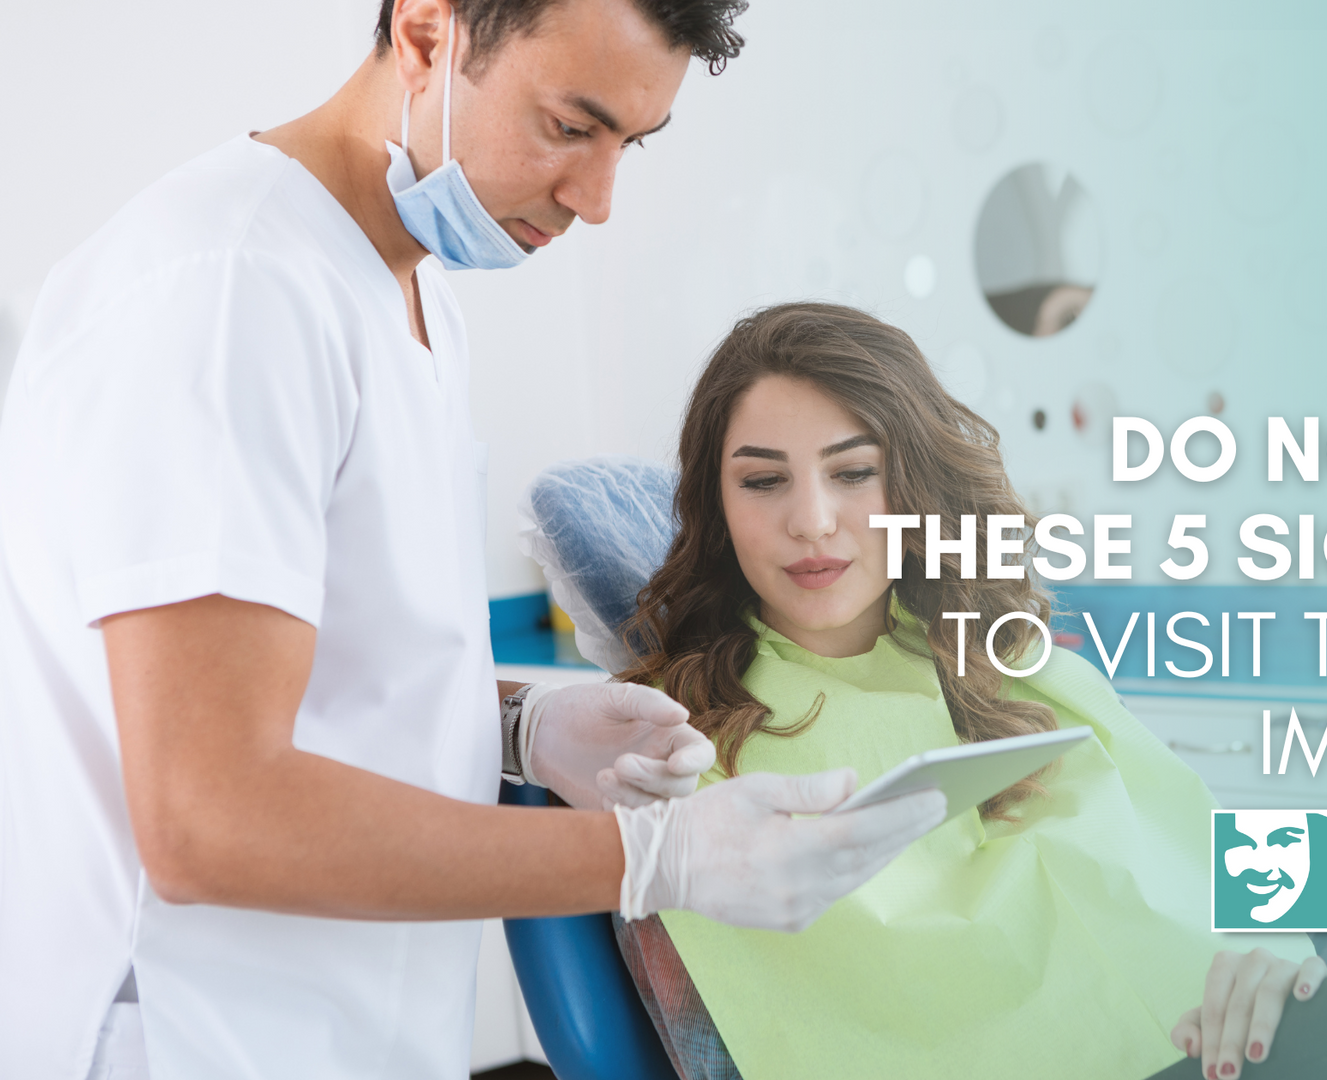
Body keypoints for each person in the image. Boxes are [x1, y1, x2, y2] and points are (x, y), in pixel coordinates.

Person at [0, 3, 944, 1078]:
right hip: (198, 1038)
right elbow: (210, 816)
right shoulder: (232, 289)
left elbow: (334, 669)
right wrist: (650, 859)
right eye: (570, 126)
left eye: (628, 144)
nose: (596, 201)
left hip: (359, 1029)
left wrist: (520, 726)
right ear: (425, 34)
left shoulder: (410, 295)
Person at [600, 302, 1327, 1080]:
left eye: (853, 472)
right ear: (718, 506)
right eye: (763, 480)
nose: (811, 521)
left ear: (914, 484)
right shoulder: (686, 749)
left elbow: (1212, 867)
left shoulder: (1016, 662)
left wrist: (1276, 964)